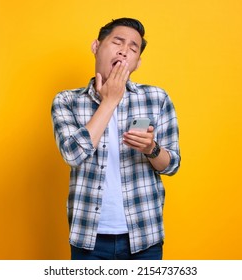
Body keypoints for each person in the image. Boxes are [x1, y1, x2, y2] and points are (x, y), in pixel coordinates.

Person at [51, 18, 180, 260]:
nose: (124, 50)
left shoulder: (156, 98)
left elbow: (172, 165)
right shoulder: (67, 101)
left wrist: (152, 149)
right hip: (89, 238)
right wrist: (110, 100)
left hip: (144, 236)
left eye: (133, 48)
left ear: (137, 62)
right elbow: (73, 154)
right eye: (117, 42)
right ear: (96, 47)